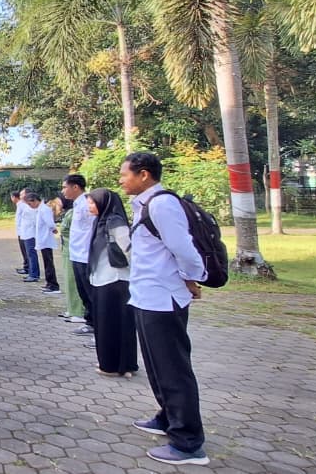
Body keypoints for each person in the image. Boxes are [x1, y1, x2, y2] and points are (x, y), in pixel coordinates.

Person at [120, 152, 210, 466]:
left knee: (173, 369)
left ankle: (188, 443)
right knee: (158, 367)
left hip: (163, 299)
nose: (121, 180)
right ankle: (168, 417)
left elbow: (184, 247)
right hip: (146, 296)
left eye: (125, 174)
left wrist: (191, 279)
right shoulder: (146, 205)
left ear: (144, 175)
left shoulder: (162, 204)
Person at [85, 188, 138, 377]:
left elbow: (130, 251)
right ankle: (113, 363)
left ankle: (117, 366)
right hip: (101, 279)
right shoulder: (100, 222)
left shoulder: (115, 222)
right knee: (106, 324)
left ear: (103, 203)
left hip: (115, 280)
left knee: (116, 325)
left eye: (92, 202)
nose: (89, 206)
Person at [63, 175, 96, 330]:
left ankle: (94, 323)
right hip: (76, 253)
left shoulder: (86, 204)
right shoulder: (77, 204)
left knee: (89, 292)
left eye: (65, 187)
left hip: (84, 254)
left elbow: (91, 230)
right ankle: (89, 321)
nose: (63, 191)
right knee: (83, 290)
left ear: (75, 187)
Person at [26, 193, 60, 294]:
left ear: (34, 200)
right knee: (46, 262)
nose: (30, 206)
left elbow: (50, 223)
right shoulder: (41, 209)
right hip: (43, 239)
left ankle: (53, 285)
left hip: (46, 240)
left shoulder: (44, 209)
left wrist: (54, 229)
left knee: (49, 263)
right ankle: (49, 282)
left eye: (30, 204)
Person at [18, 190, 40, 283]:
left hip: (31, 234)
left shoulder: (31, 207)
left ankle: (34, 274)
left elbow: (34, 221)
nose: (21, 196)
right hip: (25, 233)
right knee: (29, 254)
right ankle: (31, 273)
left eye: (22, 194)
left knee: (31, 254)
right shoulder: (25, 205)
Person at [11, 191, 28, 276]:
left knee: (26, 251)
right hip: (21, 231)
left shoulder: (22, 205)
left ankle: (27, 268)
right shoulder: (20, 205)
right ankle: (26, 266)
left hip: (24, 232)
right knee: (24, 251)